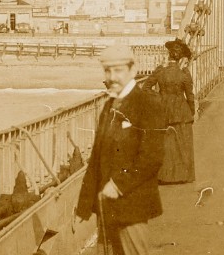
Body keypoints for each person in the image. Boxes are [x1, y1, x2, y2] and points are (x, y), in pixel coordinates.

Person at [75, 44, 166, 255]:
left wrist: (117, 185)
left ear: (133, 70)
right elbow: (96, 159)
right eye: (107, 71)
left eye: (118, 70)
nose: (112, 77)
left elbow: (152, 158)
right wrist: (83, 206)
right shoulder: (109, 106)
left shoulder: (148, 103)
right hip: (107, 207)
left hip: (133, 205)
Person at [144, 38, 196, 184]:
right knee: (183, 143)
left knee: (165, 144)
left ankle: (164, 176)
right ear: (181, 57)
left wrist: (160, 97)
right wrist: (192, 111)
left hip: (163, 110)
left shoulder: (160, 71)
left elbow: (146, 88)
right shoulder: (184, 73)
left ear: (169, 55)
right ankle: (183, 176)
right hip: (182, 111)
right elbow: (190, 96)